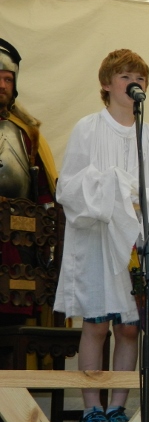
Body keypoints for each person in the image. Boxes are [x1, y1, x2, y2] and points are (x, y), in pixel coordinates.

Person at [55, 49, 149, 422]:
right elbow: (68, 185)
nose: (133, 83)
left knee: (129, 327)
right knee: (96, 324)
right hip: (97, 237)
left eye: (139, 77)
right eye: (125, 76)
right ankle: (91, 408)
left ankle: (118, 407)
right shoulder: (88, 128)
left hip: (136, 241)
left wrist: (145, 201)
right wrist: (110, 187)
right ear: (106, 84)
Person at [0, 39, 59, 322]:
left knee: (13, 323)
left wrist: (49, 236)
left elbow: (44, 193)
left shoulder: (26, 133)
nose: (2, 85)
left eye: (8, 79)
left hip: (17, 245)